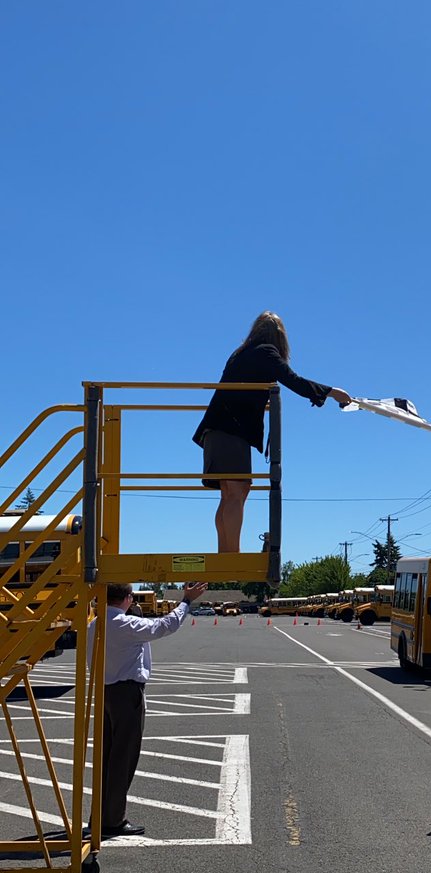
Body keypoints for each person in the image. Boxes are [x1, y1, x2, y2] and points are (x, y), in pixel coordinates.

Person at [193, 312, 351, 552]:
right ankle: (232, 555)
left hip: (215, 431)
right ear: (279, 337)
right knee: (235, 492)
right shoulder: (265, 352)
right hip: (230, 431)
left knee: (230, 494)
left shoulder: (240, 353)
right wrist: (332, 392)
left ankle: (225, 553)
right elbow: (293, 380)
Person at [86, 580, 207, 838]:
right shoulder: (125, 623)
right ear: (127, 598)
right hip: (126, 691)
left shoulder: (95, 623)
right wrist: (186, 601)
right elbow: (165, 625)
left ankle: (99, 816)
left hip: (105, 690)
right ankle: (113, 820)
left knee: (107, 757)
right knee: (123, 758)